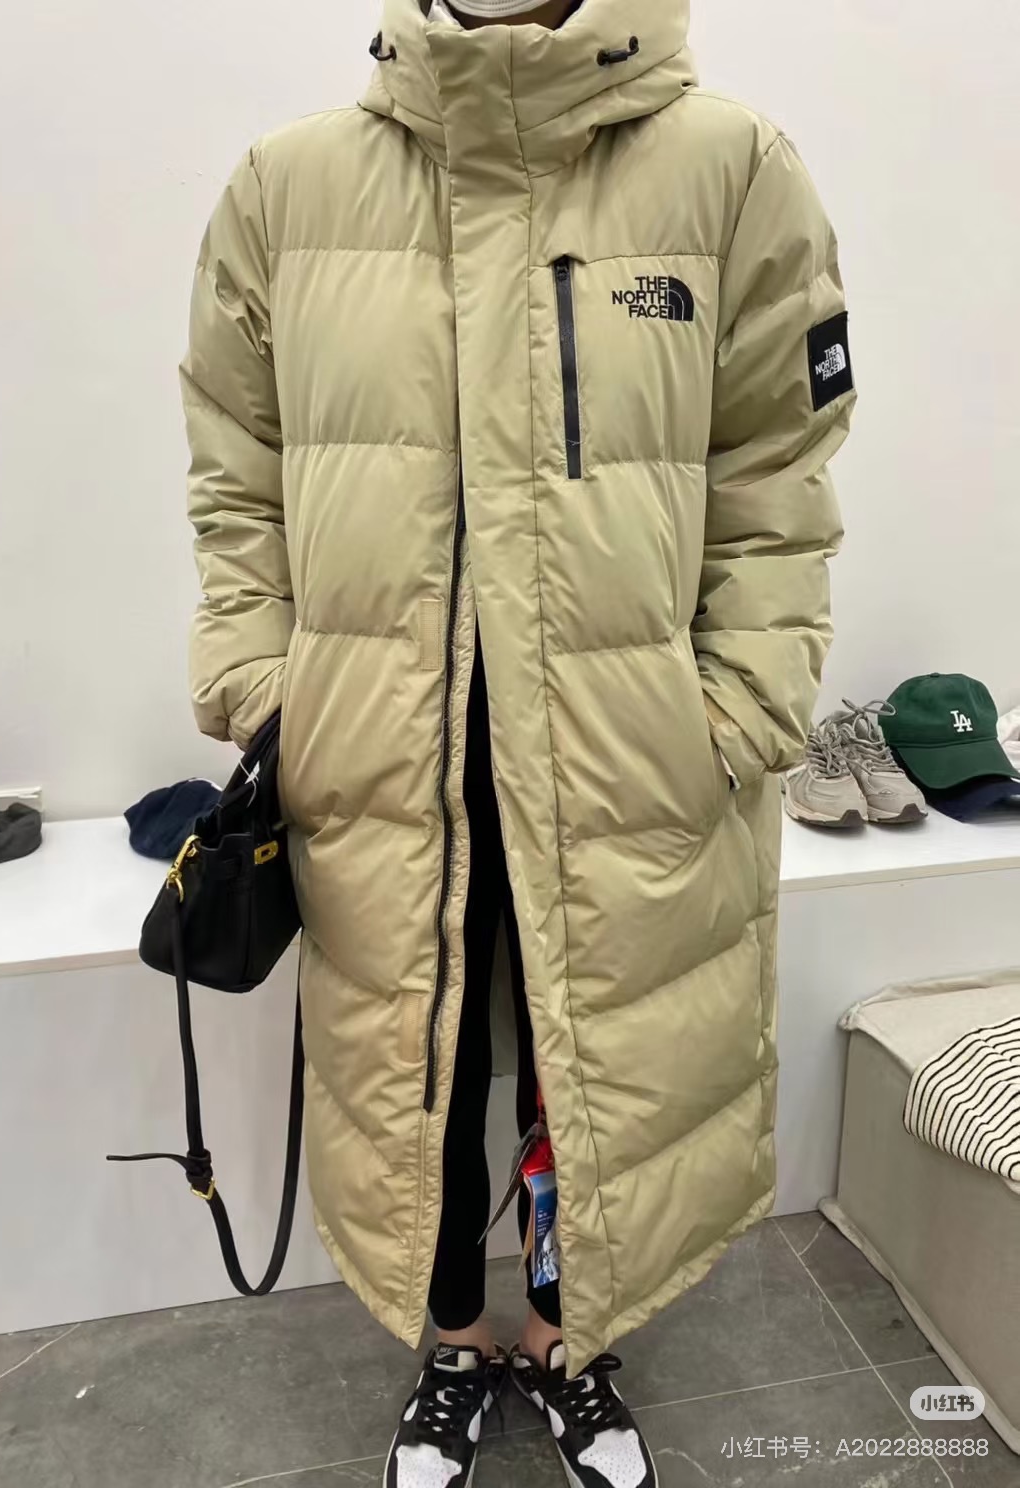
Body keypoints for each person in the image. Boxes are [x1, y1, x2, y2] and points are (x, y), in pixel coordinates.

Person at [179, 0, 856, 1482]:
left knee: (582, 1060)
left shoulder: (731, 169)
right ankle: (450, 1344)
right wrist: (261, 682)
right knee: (412, 1065)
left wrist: (739, 704)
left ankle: (568, 1339)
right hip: (378, 745)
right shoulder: (289, 185)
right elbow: (237, 471)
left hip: (630, 750)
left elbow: (778, 469)